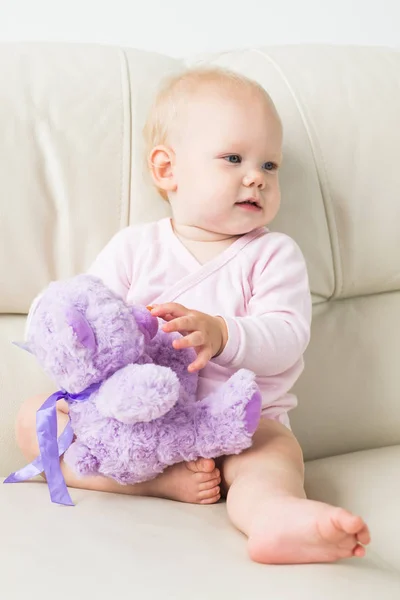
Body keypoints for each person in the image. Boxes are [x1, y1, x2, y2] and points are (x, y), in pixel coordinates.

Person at [15, 66, 370, 564]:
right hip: (136, 424)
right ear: (167, 170)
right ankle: (154, 484)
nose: (256, 177)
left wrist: (224, 333)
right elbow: (83, 312)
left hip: (241, 424)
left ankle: (274, 516)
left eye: (271, 165)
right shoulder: (134, 248)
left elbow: (288, 335)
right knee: (35, 417)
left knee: (274, 455)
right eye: (233, 158)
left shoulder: (273, 254)